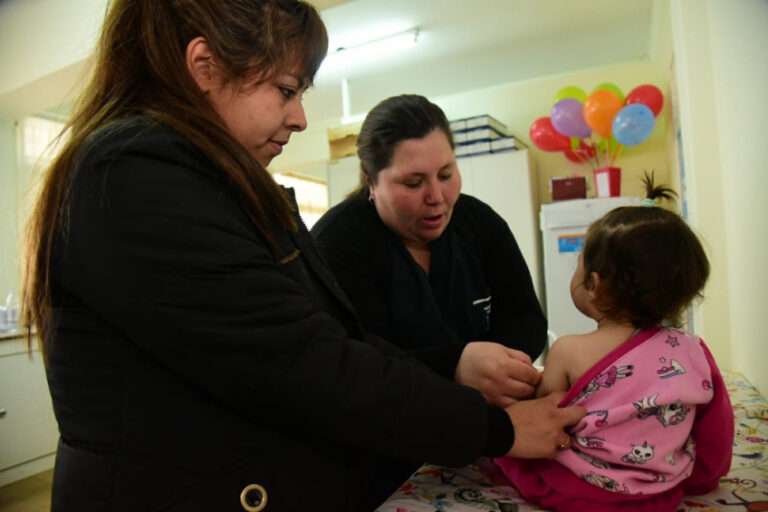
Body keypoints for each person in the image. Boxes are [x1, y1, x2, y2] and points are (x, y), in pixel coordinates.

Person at [22, 2, 584, 511]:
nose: (300, 119)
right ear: (205, 66)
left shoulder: (206, 181)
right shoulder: (135, 172)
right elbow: (306, 363)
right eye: (287, 90)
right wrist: (496, 429)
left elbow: (335, 341)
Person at [311, 94, 548, 500]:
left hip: (487, 436)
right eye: (413, 182)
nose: (437, 196)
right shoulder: (338, 244)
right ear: (371, 180)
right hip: (379, 459)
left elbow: (526, 319)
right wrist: (454, 365)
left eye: (446, 174)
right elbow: (349, 366)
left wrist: (505, 371)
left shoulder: (479, 223)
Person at [494, 176, 734, 512]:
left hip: (577, 491)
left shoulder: (567, 350)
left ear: (592, 283)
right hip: (660, 494)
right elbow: (716, 429)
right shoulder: (694, 351)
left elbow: (543, 419)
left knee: (497, 446)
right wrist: (703, 478)